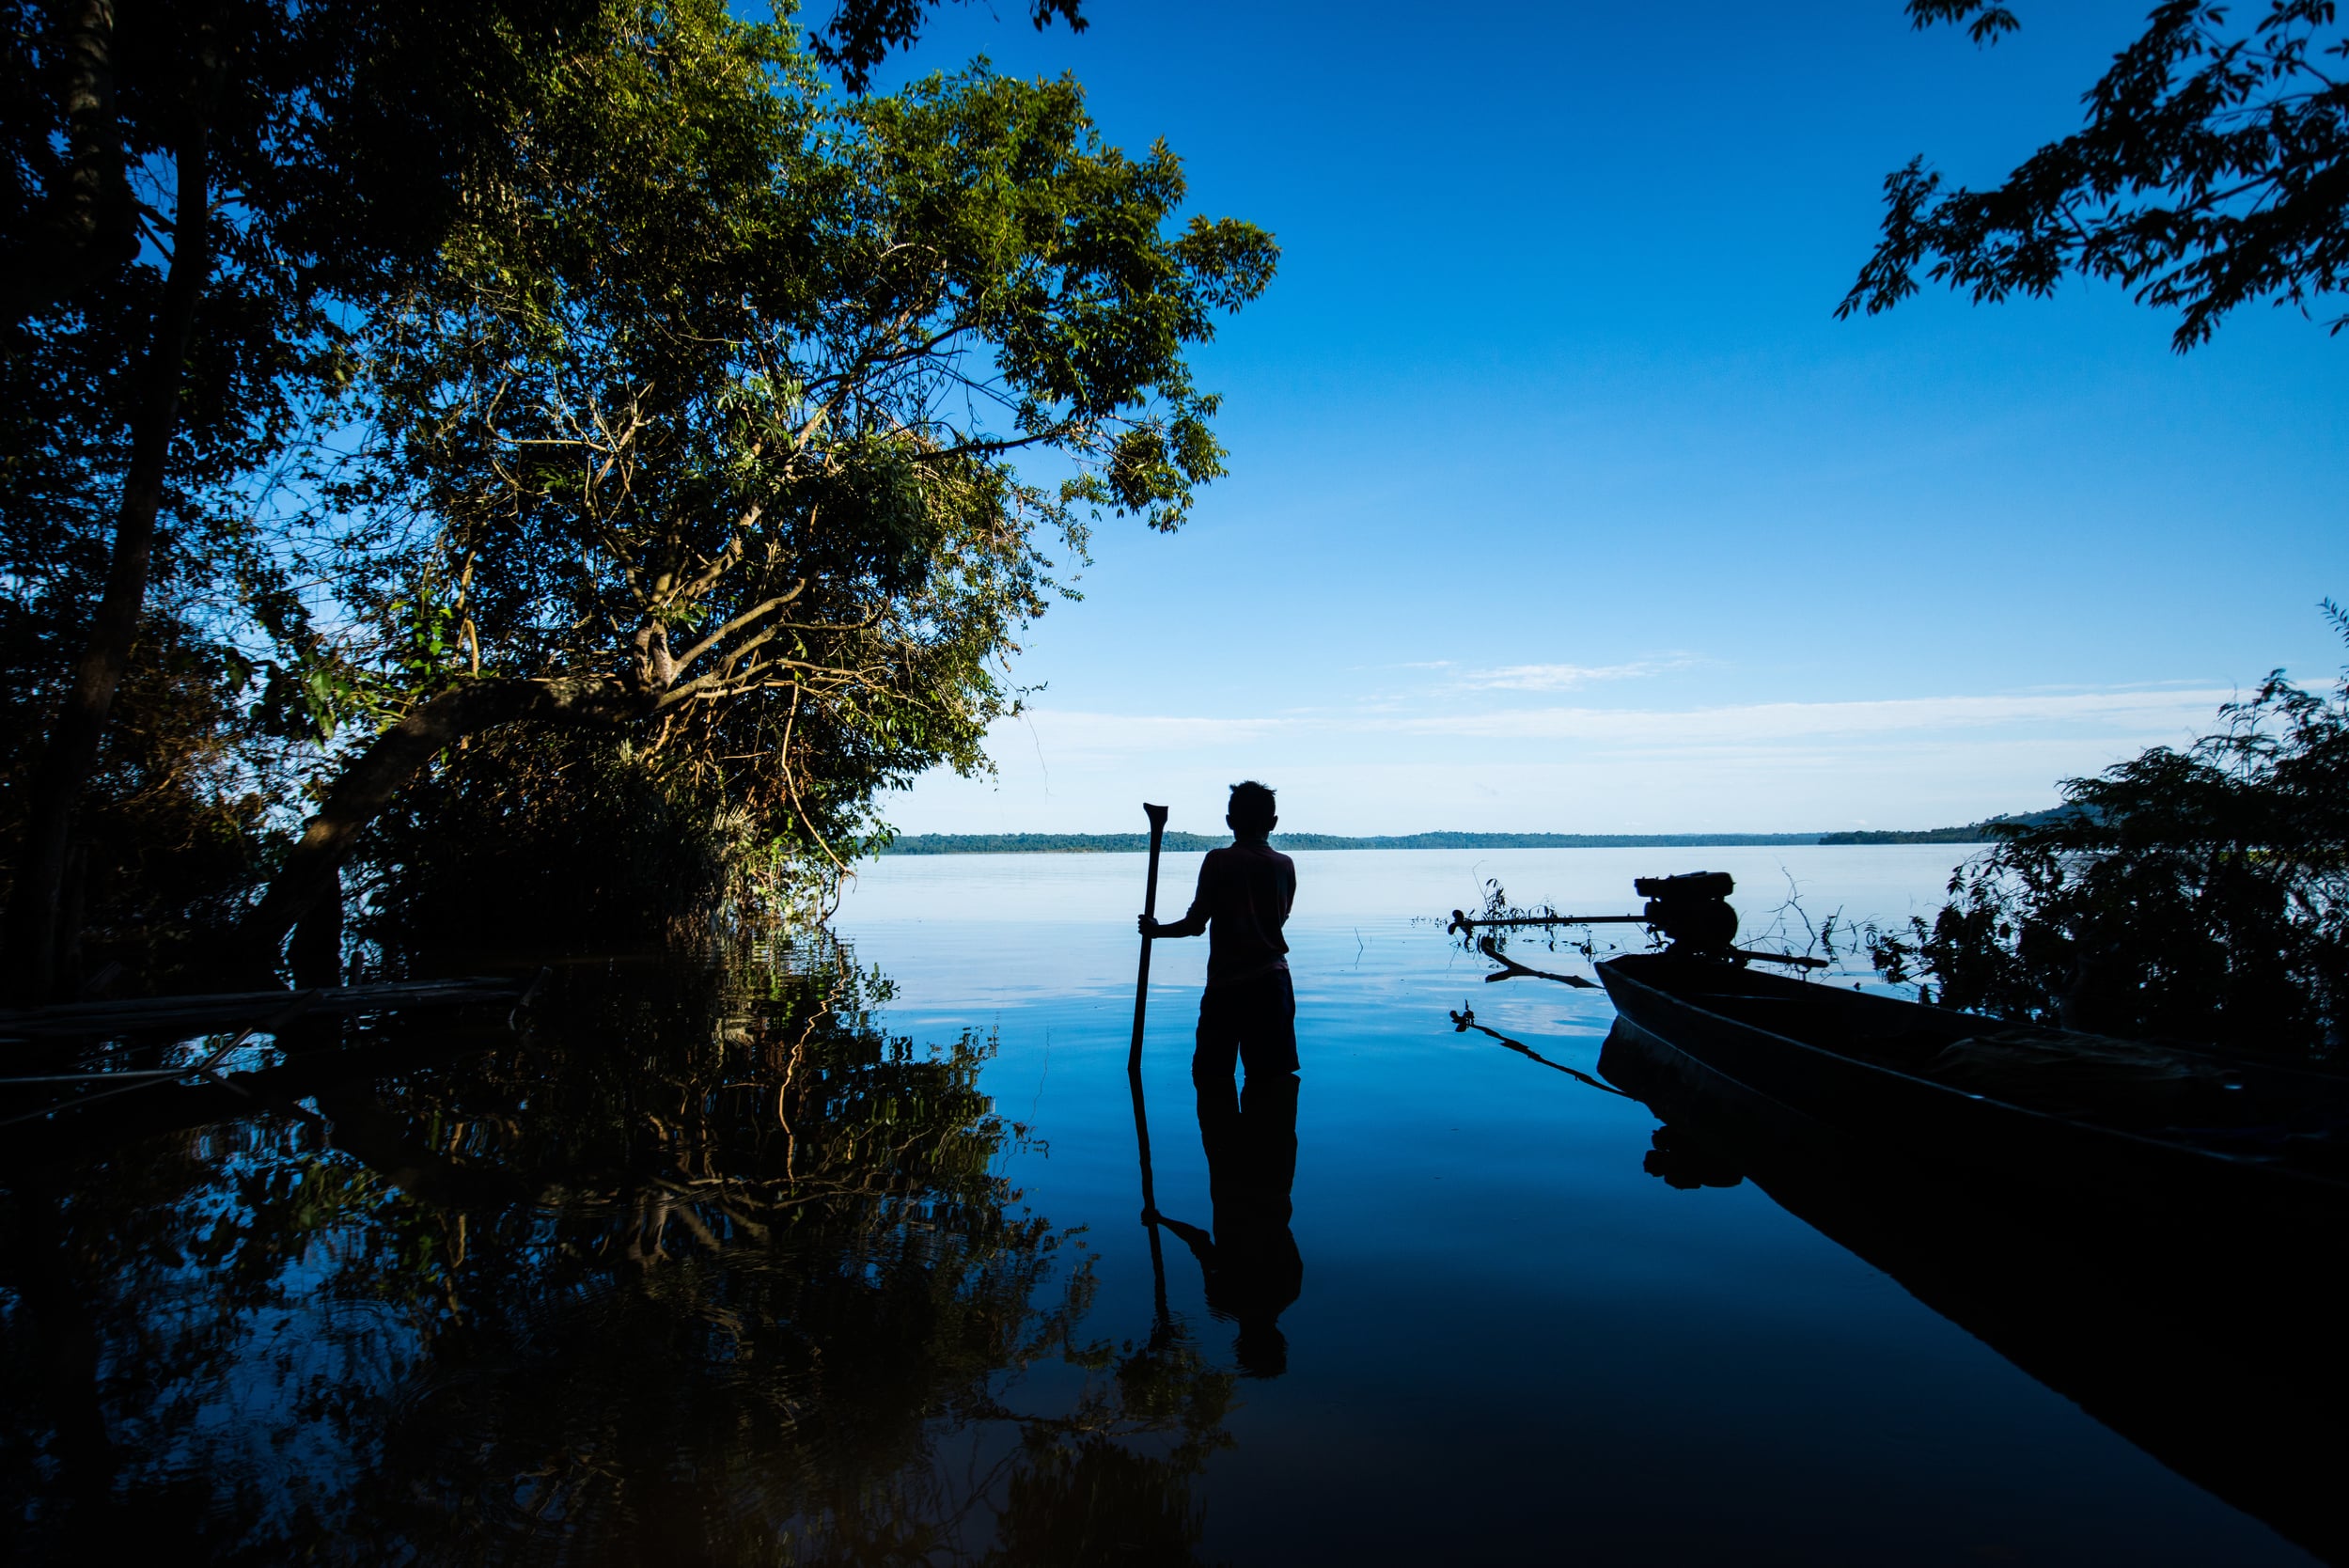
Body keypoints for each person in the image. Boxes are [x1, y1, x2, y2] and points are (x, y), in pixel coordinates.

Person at [1137, 779, 1298, 1083]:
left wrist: (1156, 932)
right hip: (1273, 987)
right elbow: (1279, 921)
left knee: (1212, 1081)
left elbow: (1195, 924)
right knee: (1273, 1085)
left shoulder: (1219, 861)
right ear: (1273, 823)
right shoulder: (1284, 865)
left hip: (1227, 988)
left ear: (1229, 822)